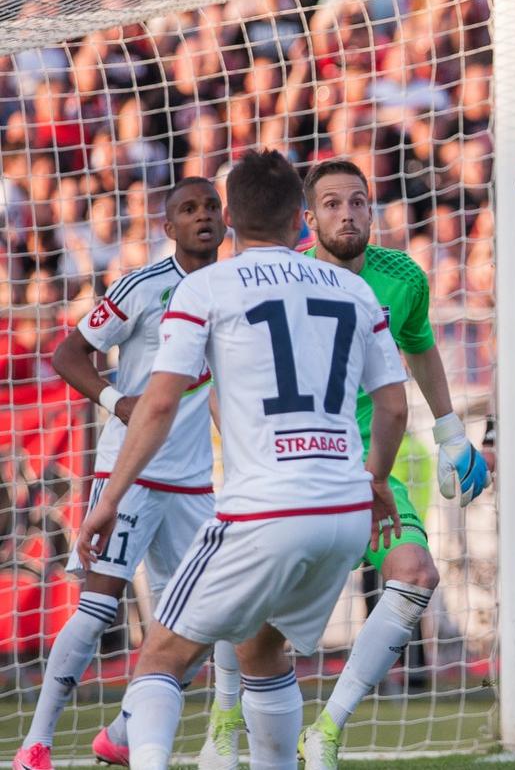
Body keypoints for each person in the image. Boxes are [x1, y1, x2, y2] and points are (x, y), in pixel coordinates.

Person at [73, 149, 410, 770]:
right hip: (342, 512)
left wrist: (110, 500)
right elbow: (392, 406)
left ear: (229, 218)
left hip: (262, 512)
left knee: (160, 658)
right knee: (260, 650)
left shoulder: (205, 286)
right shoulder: (355, 289)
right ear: (299, 221)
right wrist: (378, 479)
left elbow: (159, 404)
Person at [13, 179, 223, 770]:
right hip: (127, 473)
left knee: (206, 619)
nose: (202, 217)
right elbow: (66, 354)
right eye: (189, 209)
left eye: (211, 207)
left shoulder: (233, 289)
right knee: (100, 605)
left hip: (194, 483)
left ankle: (126, 731)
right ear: (168, 227)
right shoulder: (142, 286)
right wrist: (116, 402)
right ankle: (36, 742)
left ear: (226, 222)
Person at [290, 160, 490, 767]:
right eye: (331, 204)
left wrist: (453, 432)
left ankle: (326, 728)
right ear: (308, 218)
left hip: (372, 472)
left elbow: (421, 350)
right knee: (257, 612)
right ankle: (223, 722)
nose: (347, 214)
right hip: (294, 469)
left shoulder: (401, 277)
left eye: (358, 202)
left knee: (416, 573)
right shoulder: (285, 277)